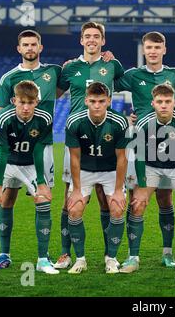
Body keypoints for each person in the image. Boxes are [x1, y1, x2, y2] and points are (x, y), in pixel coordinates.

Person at [114, 31, 175, 268]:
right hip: (142, 140)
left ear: (164, 50)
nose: (153, 51)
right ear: (144, 50)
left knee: (165, 198)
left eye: (157, 47)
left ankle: (167, 254)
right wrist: (107, 60)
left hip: (172, 140)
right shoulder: (133, 75)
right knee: (138, 199)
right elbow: (106, 84)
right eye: (149, 47)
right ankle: (132, 256)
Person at [54, 21, 125, 269]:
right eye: (87, 36)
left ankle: (110, 257)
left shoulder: (112, 65)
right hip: (76, 138)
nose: (92, 40)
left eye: (96, 36)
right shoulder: (70, 67)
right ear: (81, 41)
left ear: (103, 41)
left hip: (105, 138)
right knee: (70, 200)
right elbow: (54, 93)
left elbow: (135, 87)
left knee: (108, 201)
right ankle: (65, 254)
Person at [0, 29, 61, 270]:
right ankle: (4, 254)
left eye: (33, 44)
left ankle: (43, 257)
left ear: (40, 47)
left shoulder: (53, 72)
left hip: (42, 145)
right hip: (12, 151)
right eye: (25, 45)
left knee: (42, 198)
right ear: (19, 49)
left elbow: (71, 83)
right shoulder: (8, 78)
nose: (30, 48)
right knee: (7, 198)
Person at [0, 80, 57, 277]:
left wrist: (41, 182)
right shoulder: (2, 118)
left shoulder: (45, 118)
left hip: (29, 162)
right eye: (22, 102)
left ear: (37, 102)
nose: (26, 107)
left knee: (43, 200)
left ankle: (42, 260)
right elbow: (3, 151)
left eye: (30, 103)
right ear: (14, 100)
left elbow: (39, 149)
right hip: (2, 161)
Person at [118, 84, 175, 274]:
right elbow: (139, 156)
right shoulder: (144, 123)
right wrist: (143, 186)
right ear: (153, 103)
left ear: (174, 103)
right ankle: (133, 257)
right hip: (151, 166)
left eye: (168, 102)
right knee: (137, 203)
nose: (164, 105)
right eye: (160, 102)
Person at [65, 82, 129, 274]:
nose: (97, 105)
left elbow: (122, 158)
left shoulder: (119, 122)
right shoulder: (74, 121)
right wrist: (76, 190)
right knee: (74, 210)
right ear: (86, 101)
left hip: (110, 170)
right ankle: (80, 260)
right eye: (92, 101)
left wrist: (118, 190)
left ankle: (111, 258)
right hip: (84, 170)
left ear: (108, 101)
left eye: (101, 101)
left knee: (117, 209)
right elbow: (74, 159)